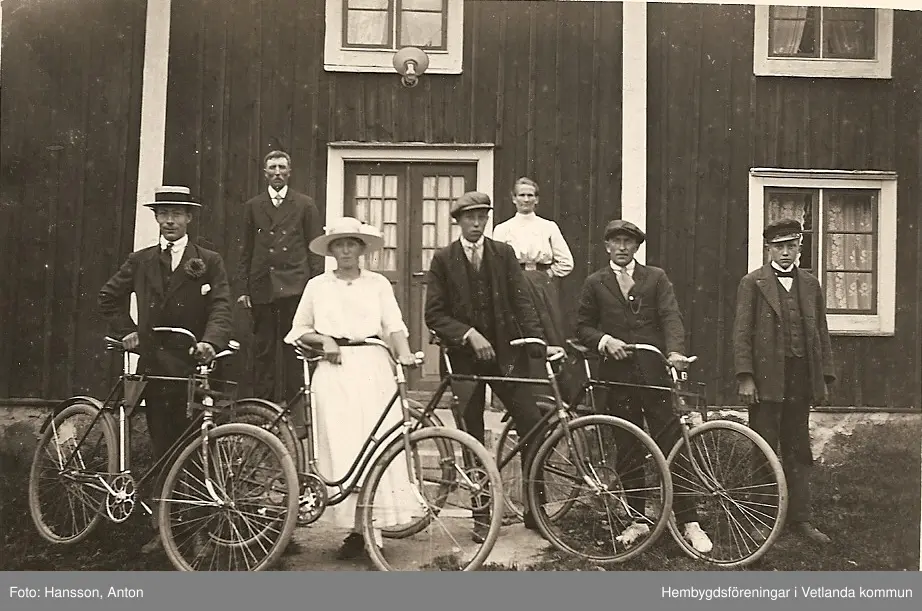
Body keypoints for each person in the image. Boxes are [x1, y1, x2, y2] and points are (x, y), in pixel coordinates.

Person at [98, 186, 233, 553]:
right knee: (163, 448)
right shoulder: (141, 260)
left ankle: (200, 530)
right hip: (155, 368)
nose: (170, 220)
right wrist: (127, 331)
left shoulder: (209, 260)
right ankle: (166, 530)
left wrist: (211, 341)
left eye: (177, 213)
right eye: (163, 213)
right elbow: (108, 296)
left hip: (194, 367)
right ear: (156, 218)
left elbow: (222, 305)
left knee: (197, 447)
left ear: (189, 218)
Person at [424, 191, 562, 543]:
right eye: (469, 217)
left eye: (482, 217)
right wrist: (469, 334)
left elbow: (522, 302)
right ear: (457, 221)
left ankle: (535, 510)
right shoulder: (443, 259)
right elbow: (435, 314)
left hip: (505, 356)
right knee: (471, 434)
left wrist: (536, 343)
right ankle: (482, 514)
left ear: (487, 219)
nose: (476, 223)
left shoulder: (503, 254)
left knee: (532, 423)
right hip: (463, 359)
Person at [284, 216, 420, 561]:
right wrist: (325, 338)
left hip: (372, 367)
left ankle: (373, 529)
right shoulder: (317, 285)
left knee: (375, 445)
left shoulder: (378, 284)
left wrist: (403, 355)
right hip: (333, 371)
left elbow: (394, 326)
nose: (345, 250)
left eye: (351, 244)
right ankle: (354, 532)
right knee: (342, 448)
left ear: (361, 249)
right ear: (331, 250)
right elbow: (300, 329)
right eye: (339, 244)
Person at [575, 219, 713, 553]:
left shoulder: (656, 277)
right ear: (607, 246)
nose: (622, 247)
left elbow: (670, 317)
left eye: (629, 242)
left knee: (673, 446)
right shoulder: (595, 283)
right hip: (617, 378)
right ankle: (637, 520)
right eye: (616, 241)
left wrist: (675, 352)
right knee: (628, 448)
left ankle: (689, 520)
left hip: (654, 376)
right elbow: (582, 327)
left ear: (637, 247)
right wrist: (604, 340)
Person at [733, 218, 835, 544]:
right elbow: (741, 334)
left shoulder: (811, 284)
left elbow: (820, 333)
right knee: (763, 445)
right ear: (769, 249)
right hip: (765, 381)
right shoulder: (753, 283)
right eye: (780, 246)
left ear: (800, 248)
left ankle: (800, 518)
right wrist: (746, 377)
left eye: (792, 246)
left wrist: (822, 380)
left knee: (798, 448)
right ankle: (763, 518)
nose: (786, 252)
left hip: (801, 379)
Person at [236, 150, 324, 404]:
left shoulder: (304, 204)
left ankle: (294, 405)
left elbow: (315, 249)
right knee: (263, 349)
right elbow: (246, 250)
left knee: (292, 348)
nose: (277, 172)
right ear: (265, 174)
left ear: (289, 172)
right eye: (272, 168)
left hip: (294, 286)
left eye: (281, 167)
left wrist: (313, 288)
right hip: (262, 287)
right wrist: (243, 288)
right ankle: (264, 406)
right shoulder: (253, 206)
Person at [491, 177, 574, 348]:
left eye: (530, 195)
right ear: (514, 198)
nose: (526, 199)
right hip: (514, 280)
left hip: (541, 283)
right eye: (521, 195)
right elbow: (495, 262)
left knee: (548, 326)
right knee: (517, 323)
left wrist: (547, 274)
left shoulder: (548, 226)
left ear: (537, 199)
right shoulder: (502, 228)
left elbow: (566, 261)